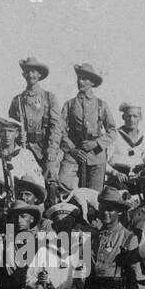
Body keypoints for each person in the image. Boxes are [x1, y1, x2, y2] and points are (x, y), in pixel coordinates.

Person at [54, 63, 114, 192]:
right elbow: (59, 130)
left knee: (94, 195)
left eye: (85, 79)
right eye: (79, 78)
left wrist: (96, 143)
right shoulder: (69, 105)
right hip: (74, 153)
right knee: (63, 182)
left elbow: (112, 131)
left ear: (92, 82)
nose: (80, 81)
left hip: (96, 156)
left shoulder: (101, 105)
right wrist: (72, 150)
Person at [87, 187, 141, 289]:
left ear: (120, 212)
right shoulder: (93, 238)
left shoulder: (128, 238)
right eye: (103, 208)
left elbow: (136, 274)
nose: (106, 212)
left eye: (110, 209)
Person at [7, 56, 61, 174]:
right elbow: (10, 127)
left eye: (34, 72)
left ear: (40, 75)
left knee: (51, 177)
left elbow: (56, 127)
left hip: (44, 148)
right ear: (23, 75)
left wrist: (51, 150)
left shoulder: (49, 98)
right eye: (27, 72)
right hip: (23, 148)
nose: (30, 75)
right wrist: (17, 137)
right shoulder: (17, 100)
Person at [106, 103, 145, 181]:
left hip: (138, 178)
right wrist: (115, 173)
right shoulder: (114, 136)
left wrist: (142, 172)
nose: (131, 119)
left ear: (140, 118)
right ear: (123, 117)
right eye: (128, 116)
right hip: (117, 178)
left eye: (135, 116)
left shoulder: (144, 138)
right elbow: (102, 162)